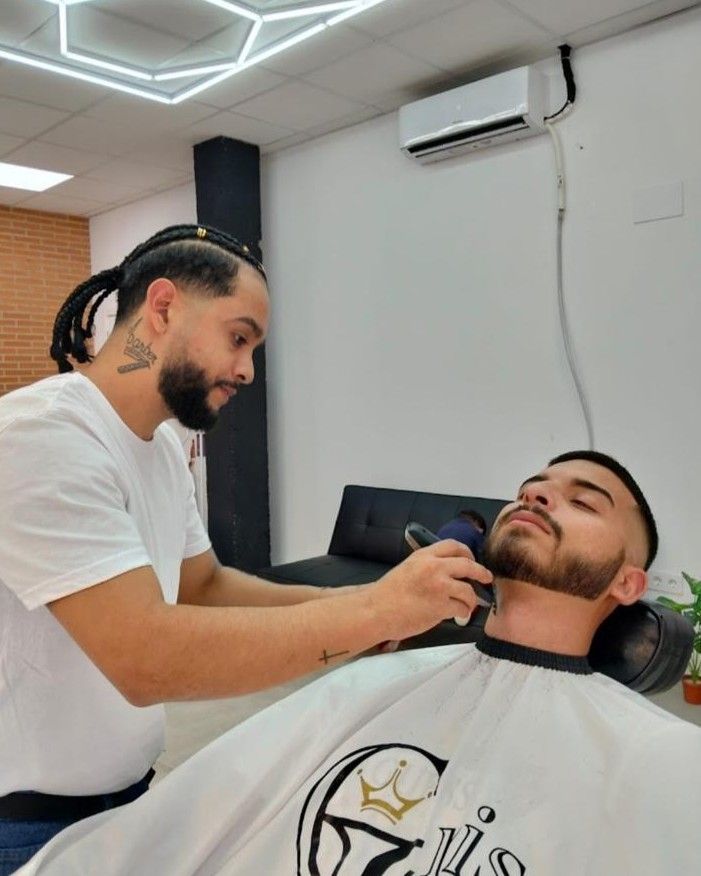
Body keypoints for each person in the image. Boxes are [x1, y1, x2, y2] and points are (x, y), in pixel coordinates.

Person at [0, 224, 492, 873]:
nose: (246, 370)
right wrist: (373, 616)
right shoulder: (45, 437)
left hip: (124, 792)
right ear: (164, 307)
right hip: (27, 822)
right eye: (238, 338)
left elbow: (205, 586)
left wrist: (355, 600)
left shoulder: (162, 447)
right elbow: (144, 658)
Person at [15, 450, 701, 875]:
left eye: (583, 501)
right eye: (531, 487)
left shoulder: (663, 757)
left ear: (627, 584)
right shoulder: (367, 687)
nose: (536, 494)